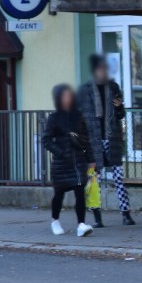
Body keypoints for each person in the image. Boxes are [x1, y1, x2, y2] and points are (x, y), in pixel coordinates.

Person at [76, 54, 135, 227]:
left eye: (106, 69)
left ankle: (126, 214)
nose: (104, 72)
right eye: (101, 69)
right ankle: (97, 219)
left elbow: (121, 114)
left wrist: (119, 107)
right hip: (93, 141)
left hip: (112, 138)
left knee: (118, 178)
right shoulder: (85, 90)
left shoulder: (113, 86)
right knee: (94, 181)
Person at [43, 84, 95, 238]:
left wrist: (91, 159)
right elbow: (46, 140)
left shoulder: (78, 116)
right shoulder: (54, 118)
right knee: (59, 194)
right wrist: (60, 152)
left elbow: (86, 140)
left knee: (80, 192)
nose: (68, 99)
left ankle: (81, 225)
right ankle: (55, 220)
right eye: (64, 96)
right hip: (61, 164)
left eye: (69, 96)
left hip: (78, 161)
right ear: (58, 98)